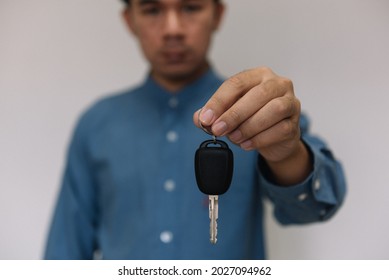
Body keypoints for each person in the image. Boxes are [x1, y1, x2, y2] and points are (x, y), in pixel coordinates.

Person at [44, 0, 346, 259]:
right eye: (151, 10)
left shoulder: (264, 112)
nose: (172, 29)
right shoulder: (96, 124)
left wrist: (287, 155)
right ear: (129, 20)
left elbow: (314, 206)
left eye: (190, 7)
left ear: (217, 14)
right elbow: (64, 252)